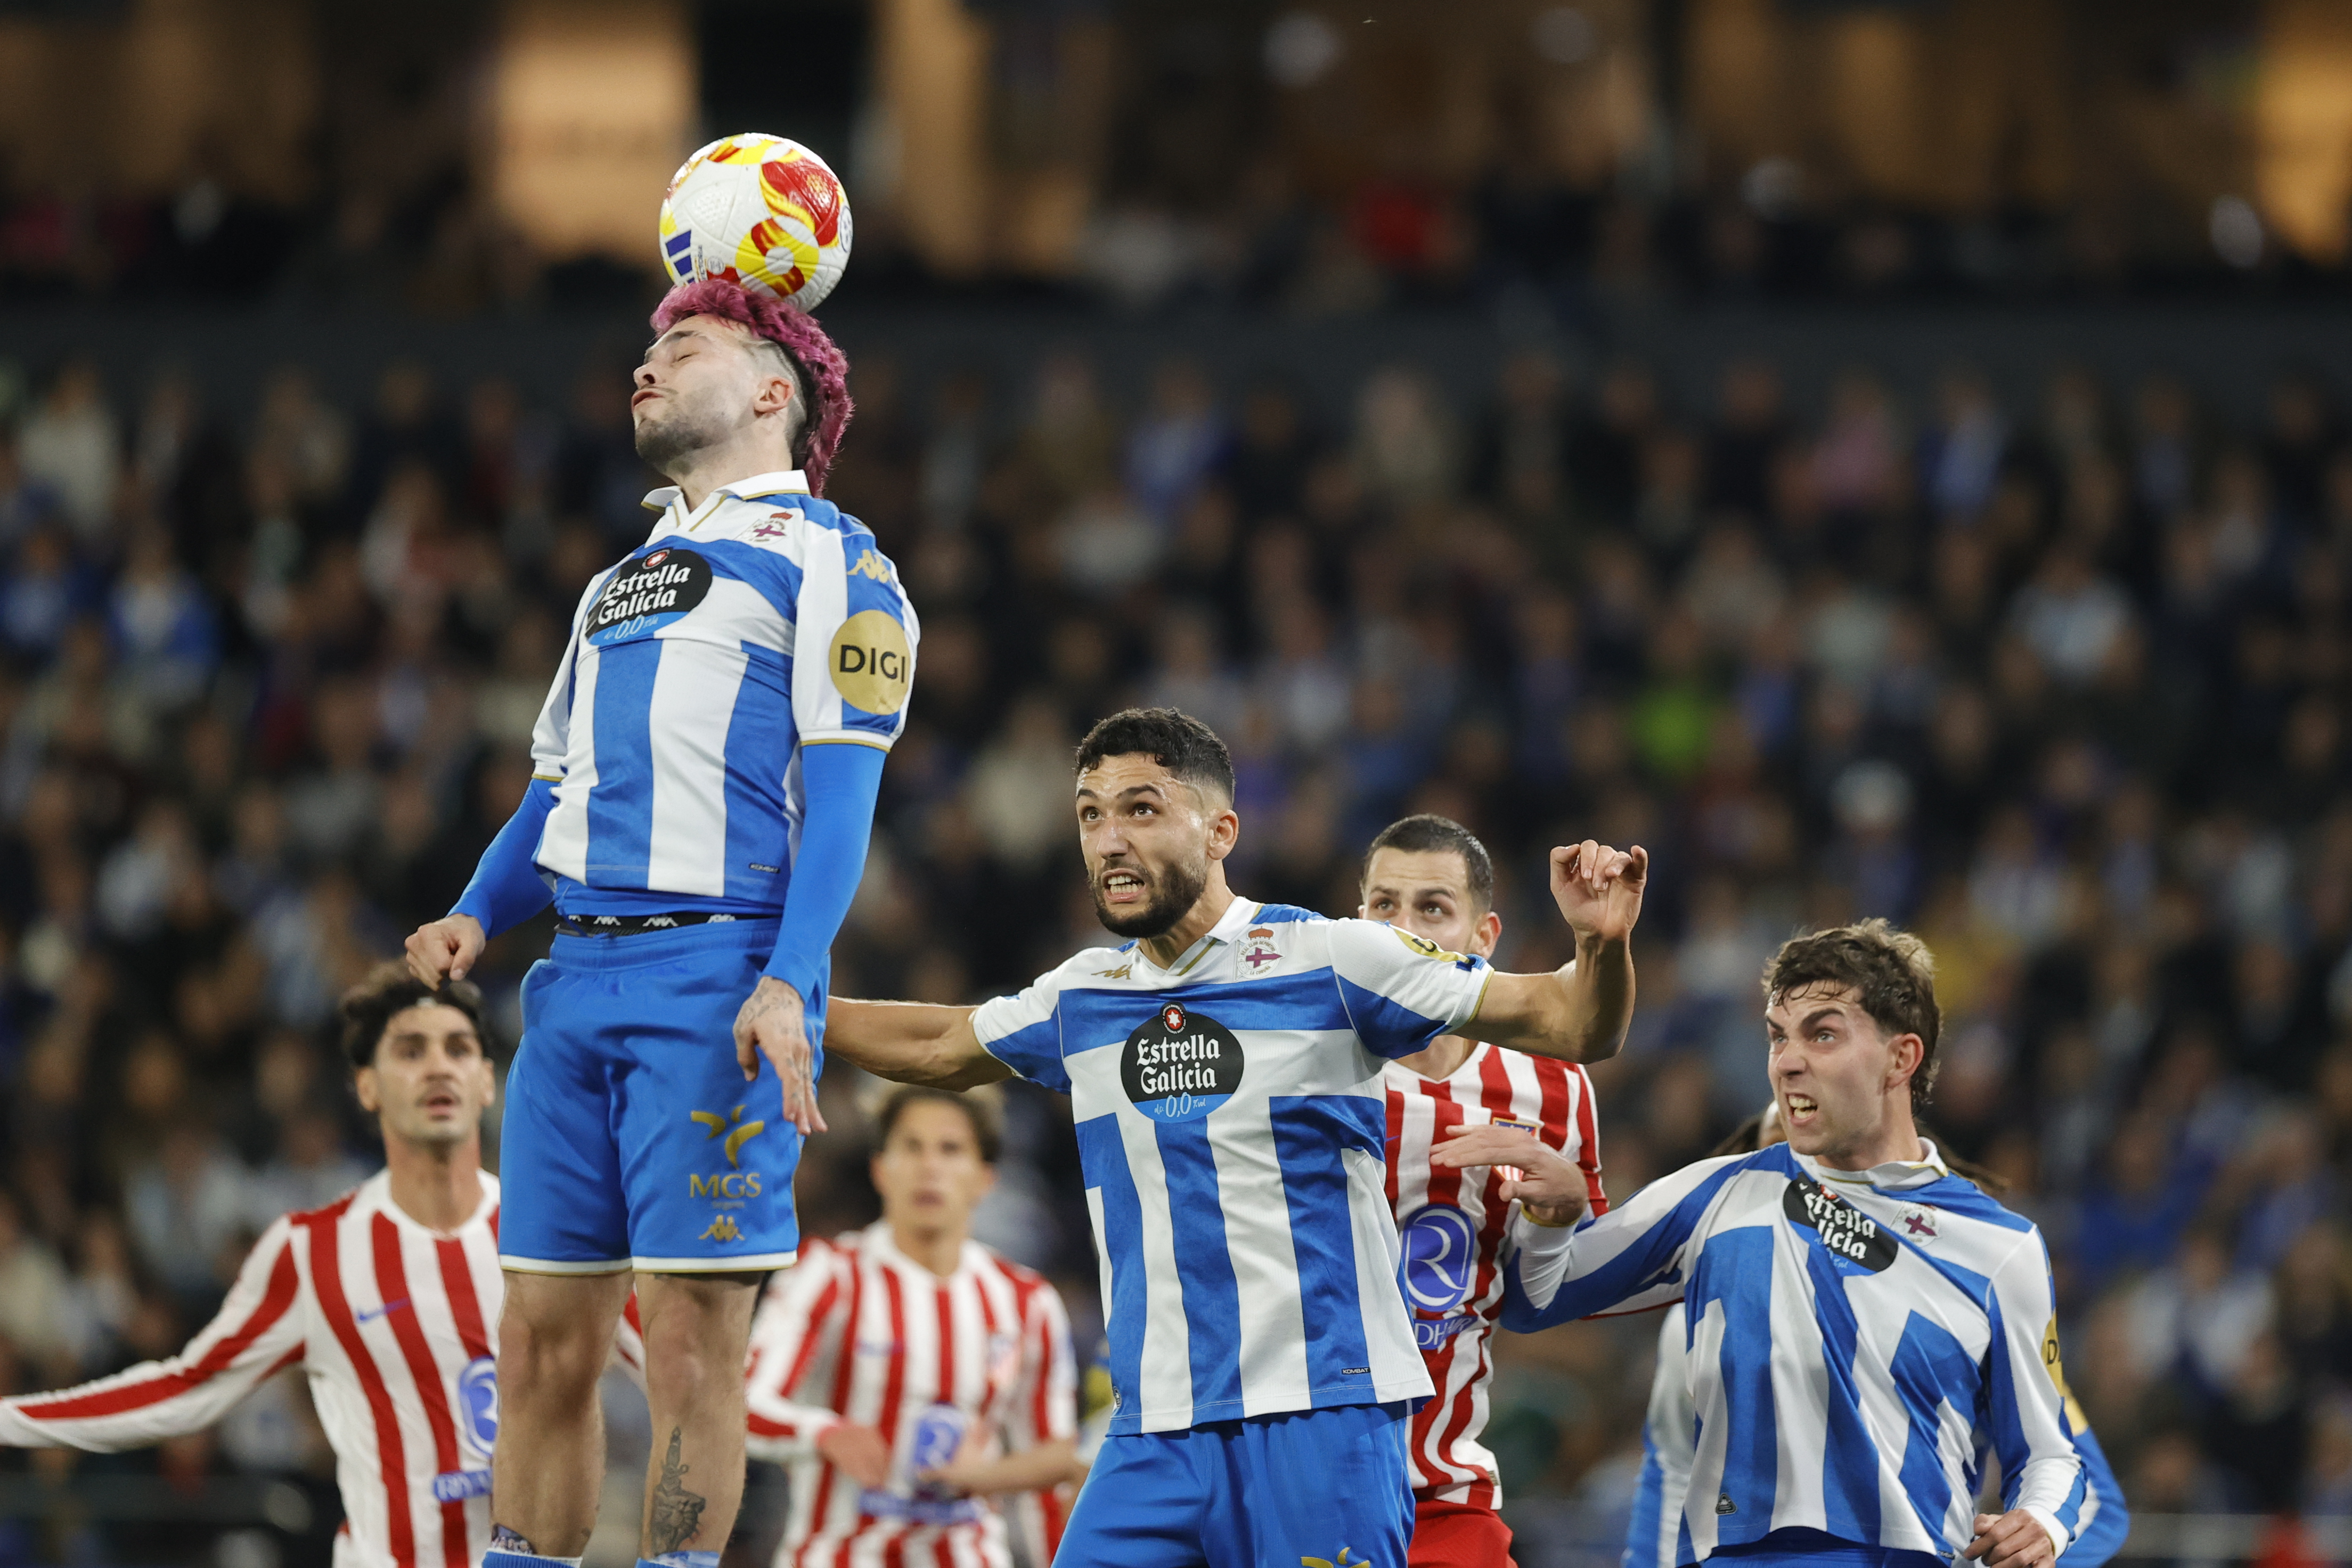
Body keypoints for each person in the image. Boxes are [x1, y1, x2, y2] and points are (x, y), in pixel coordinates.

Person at [810, 706, 1648, 1568]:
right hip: (1154, 1427)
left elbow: (1575, 1022)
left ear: (1220, 832)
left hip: (1322, 1414)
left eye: (1141, 808)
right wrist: (786, 995)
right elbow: (939, 1044)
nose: (1109, 839)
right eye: (1091, 814)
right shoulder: (1083, 994)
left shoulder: (1334, 958)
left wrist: (1600, 943)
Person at [403, 276, 916, 1568]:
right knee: (539, 1340)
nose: (648, 366)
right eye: (648, 351)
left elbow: (844, 796)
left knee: (689, 1341)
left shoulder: (837, 561)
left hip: (714, 975)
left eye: (683, 346)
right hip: (571, 981)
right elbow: (555, 790)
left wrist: (789, 976)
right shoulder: (613, 584)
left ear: (772, 391)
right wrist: (475, 910)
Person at [0, 963, 643, 1568]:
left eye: (458, 1048)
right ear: (367, 1086)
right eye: (410, 1050)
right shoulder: (313, 1251)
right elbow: (186, 1391)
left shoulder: (563, 1241)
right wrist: (10, 1419)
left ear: (485, 1080)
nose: (438, 1067)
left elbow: (677, 1371)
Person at [1502, 919, 2093, 1568]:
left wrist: (2041, 1522)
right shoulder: (1716, 1195)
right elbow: (1536, 1298)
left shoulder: (1999, 1246)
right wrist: (1552, 1218)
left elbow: (2050, 1454)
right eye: (1778, 1036)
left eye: (1823, 1034)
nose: (1786, 1061)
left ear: (1901, 1058)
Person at [1623, 1104, 2130, 1568]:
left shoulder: (1955, 1312)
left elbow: (2087, 1498)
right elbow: (1673, 1474)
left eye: (1821, 1153)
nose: (1800, 1169)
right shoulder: (1693, 1324)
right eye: (1776, 1152)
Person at [1358, 813, 1609, 1568]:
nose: (1402, 931)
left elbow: (1535, 1303)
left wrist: (1559, 1219)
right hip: (1296, 1480)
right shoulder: (1299, 1062)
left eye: (1432, 908)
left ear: (1484, 935)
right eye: (1383, 906)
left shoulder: (1554, 1085)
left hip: (1445, 1488)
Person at [742, 1085, 1081, 1567]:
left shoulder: (1027, 1302)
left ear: (985, 1178)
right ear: (881, 1169)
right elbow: (746, 1403)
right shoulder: (830, 1273)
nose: (930, 1167)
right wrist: (823, 1431)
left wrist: (995, 1481)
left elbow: (1049, 1470)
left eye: (950, 1150)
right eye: (912, 1147)